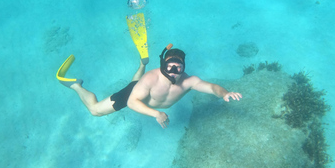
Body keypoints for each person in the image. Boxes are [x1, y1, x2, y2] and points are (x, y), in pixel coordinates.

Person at [56, 44, 242, 128]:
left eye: (178, 66)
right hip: (134, 94)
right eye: (170, 66)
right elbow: (132, 102)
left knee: (135, 83)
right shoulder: (151, 79)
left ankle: (141, 64)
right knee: (95, 110)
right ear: (162, 65)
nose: (174, 71)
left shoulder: (189, 81)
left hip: (141, 88)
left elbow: (211, 87)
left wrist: (224, 93)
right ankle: (76, 86)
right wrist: (156, 113)